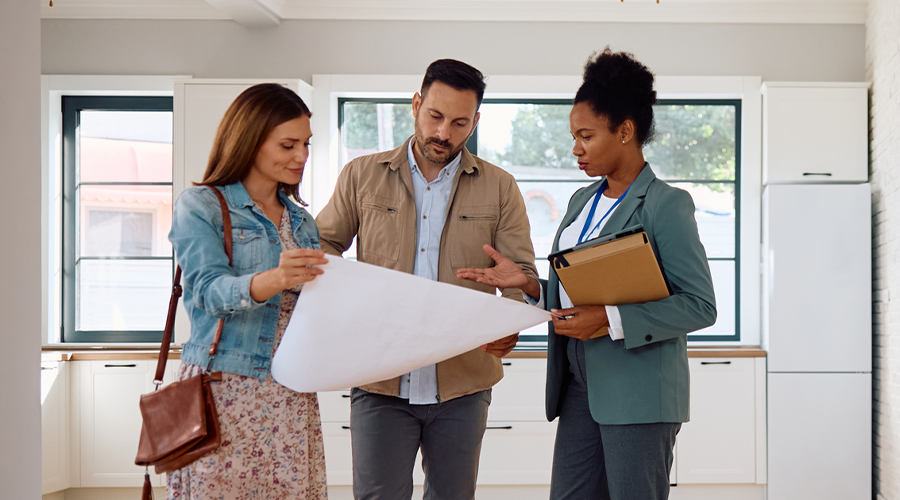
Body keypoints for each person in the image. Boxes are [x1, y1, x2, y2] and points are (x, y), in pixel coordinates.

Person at [457, 48, 717, 500]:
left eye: (586, 135)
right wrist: (530, 287)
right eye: (573, 136)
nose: (575, 148)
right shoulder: (581, 202)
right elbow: (574, 289)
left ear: (626, 132)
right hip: (578, 389)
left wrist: (611, 319)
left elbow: (700, 305)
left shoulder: (666, 205)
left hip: (638, 397)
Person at [315, 59, 538, 499]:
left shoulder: (500, 187)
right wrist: (353, 297)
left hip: (464, 384)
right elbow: (322, 249)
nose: (443, 133)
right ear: (416, 105)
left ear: (475, 122)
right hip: (380, 379)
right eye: (435, 117)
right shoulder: (362, 175)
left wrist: (511, 319)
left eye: (459, 123)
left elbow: (520, 275)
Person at [167, 83, 329, 499]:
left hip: (290, 392)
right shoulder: (200, 205)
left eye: (306, 144)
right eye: (288, 144)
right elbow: (205, 292)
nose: (302, 157)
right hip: (225, 388)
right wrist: (276, 278)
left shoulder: (301, 222)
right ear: (250, 142)